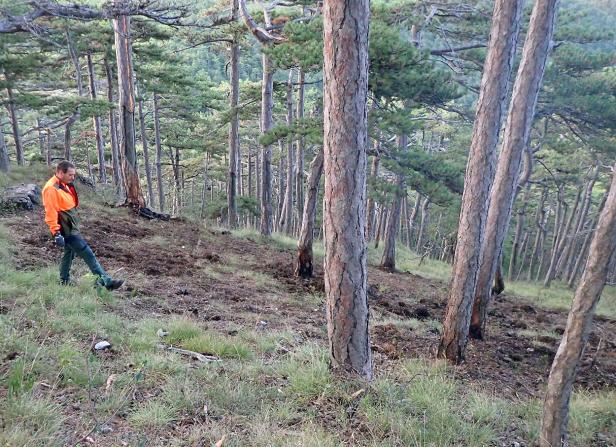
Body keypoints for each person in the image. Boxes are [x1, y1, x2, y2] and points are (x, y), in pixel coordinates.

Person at [42, 160, 123, 290]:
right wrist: (56, 233)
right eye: (70, 175)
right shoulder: (51, 189)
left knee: (69, 253)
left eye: (74, 175)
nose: (73, 178)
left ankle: (64, 280)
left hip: (70, 226)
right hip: (65, 228)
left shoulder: (63, 184)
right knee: (87, 253)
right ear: (60, 172)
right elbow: (50, 212)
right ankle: (106, 282)